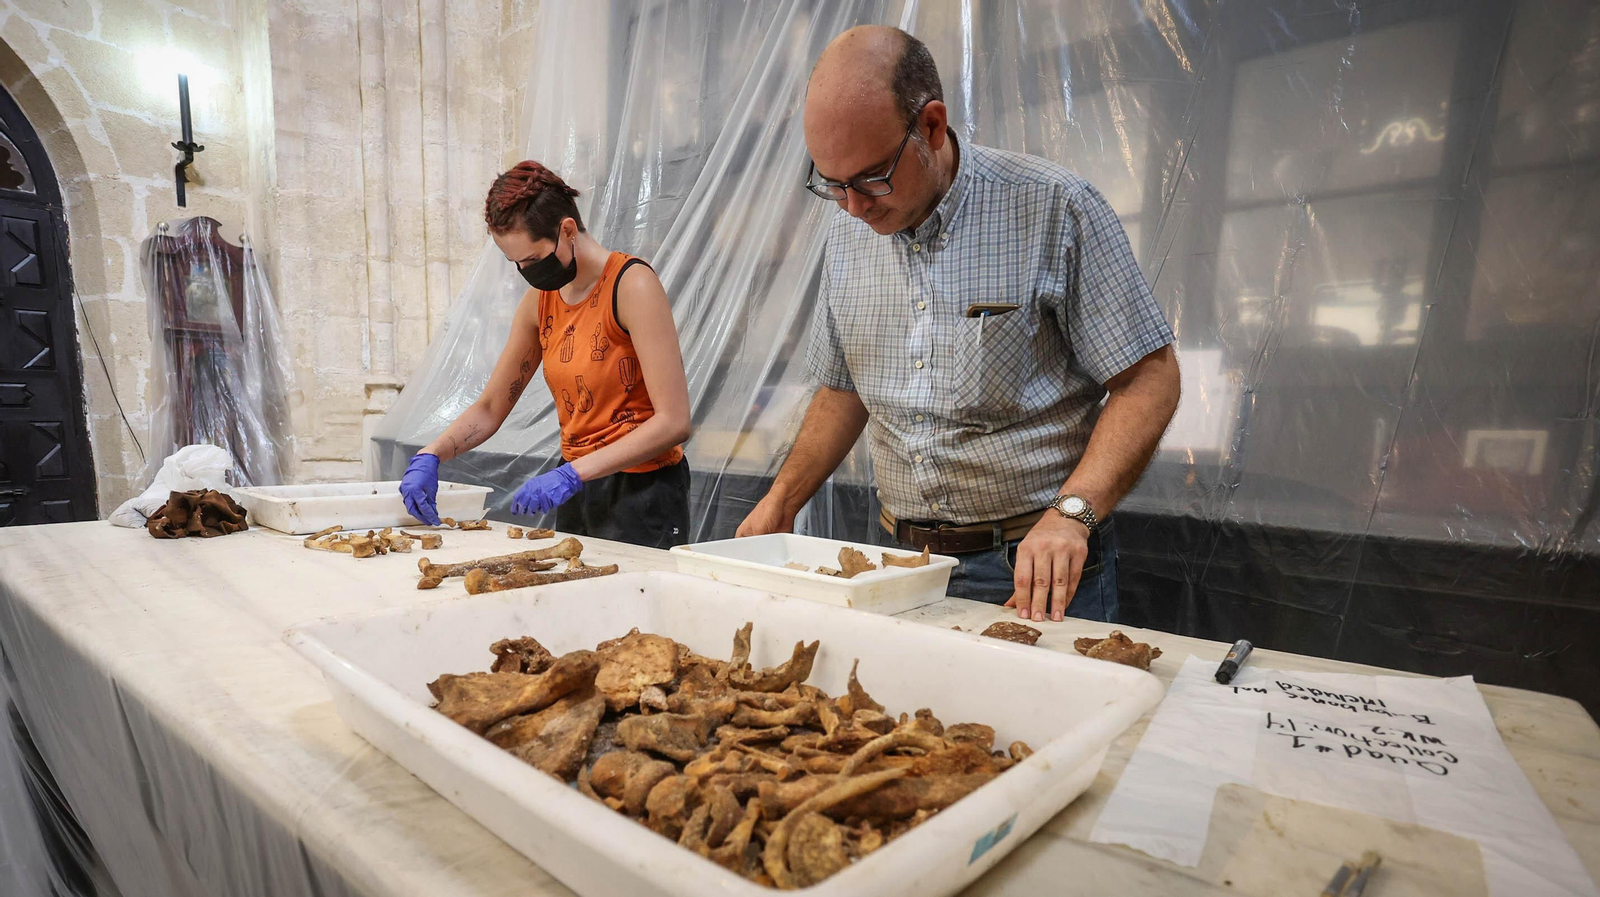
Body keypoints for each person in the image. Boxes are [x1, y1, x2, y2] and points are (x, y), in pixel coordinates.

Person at [737, 27, 1181, 624]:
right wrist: (781, 501)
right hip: (899, 565)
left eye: (871, 177)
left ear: (932, 126)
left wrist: (1073, 514)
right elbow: (844, 389)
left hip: (1033, 566)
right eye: (832, 184)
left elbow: (1148, 379)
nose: (855, 207)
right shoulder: (849, 228)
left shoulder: (1052, 207)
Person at [399, 161, 692, 548]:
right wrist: (432, 453)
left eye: (533, 260)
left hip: (643, 490)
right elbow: (490, 407)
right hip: (577, 483)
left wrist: (574, 474)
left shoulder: (632, 285)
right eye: (516, 263)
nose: (525, 271)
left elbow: (674, 422)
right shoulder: (540, 301)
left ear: (567, 230)